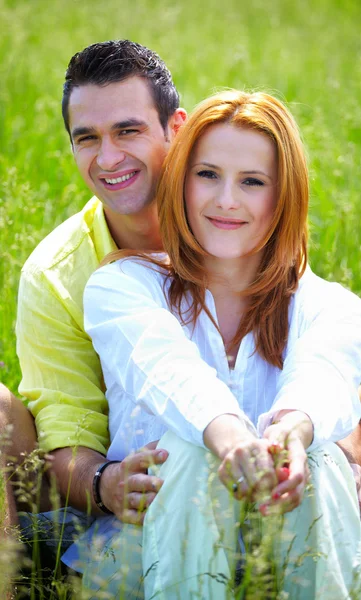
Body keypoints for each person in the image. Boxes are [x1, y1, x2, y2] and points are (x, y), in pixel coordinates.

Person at [81, 90, 361, 599]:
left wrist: (293, 433)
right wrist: (228, 437)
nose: (226, 199)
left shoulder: (330, 305)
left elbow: (327, 374)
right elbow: (166, 368)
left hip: (286, 544)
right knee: (188, 448)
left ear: (284, 197)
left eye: (251, 182)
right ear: (182, 183)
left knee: (318, 455)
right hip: (147, 552)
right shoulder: (122, 287)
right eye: (207, 174)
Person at [13, 39, 186, 555]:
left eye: (128, 130)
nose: (108, 158)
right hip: (125, 494)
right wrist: (105, 483)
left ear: (175, 129)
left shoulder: (234, 216)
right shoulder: (54, 274)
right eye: (87, 138)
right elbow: (67, 430)